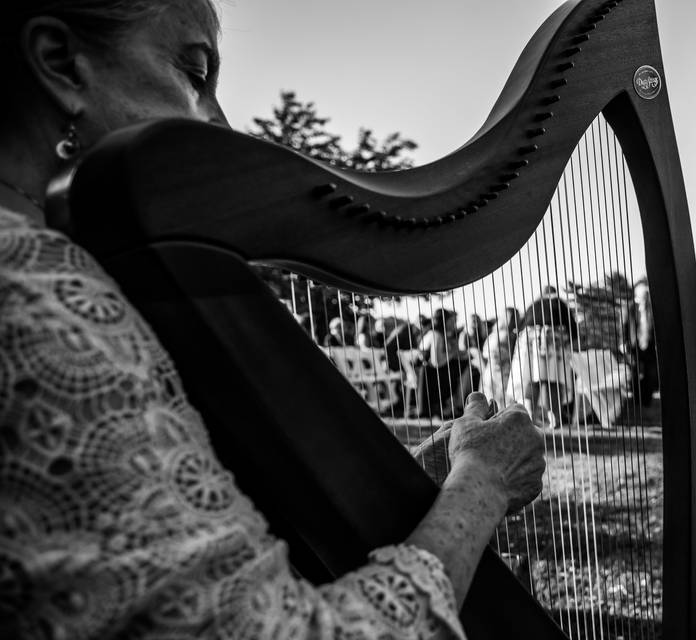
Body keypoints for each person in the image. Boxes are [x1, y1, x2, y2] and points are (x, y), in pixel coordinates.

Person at [0, 3, 546, 638]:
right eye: (192, 72)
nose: (220, 123)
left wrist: (435, 469)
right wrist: (481, 486)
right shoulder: (35, 293)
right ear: (62, 64)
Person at [507, 287, 579, 429]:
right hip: (554, 340)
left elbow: (520, 328)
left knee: (532, 381)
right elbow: (573, 329)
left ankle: (530, 417)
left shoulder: (534, 305)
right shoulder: (560, 304)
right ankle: (555, 418)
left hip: (531, 342)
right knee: (555, 382)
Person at [622, 280, 658, 409]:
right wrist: (623, 343)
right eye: (644, 294)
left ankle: (647, 399)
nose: (646, 296)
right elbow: (625, 326)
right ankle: (637, 399)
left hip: (649, 345)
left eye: (647, 294)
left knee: (649, 372)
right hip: (634, 345)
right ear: (638, 294)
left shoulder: (652, 307)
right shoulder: (630, 307)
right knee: (635, 371)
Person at [480, 307, 520, 407]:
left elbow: (486, 354)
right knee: (501, 402)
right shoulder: (506, 335)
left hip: (492, 371)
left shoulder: (493, 334)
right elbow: (500, 355)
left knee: (493, 402)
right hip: (501, 373)